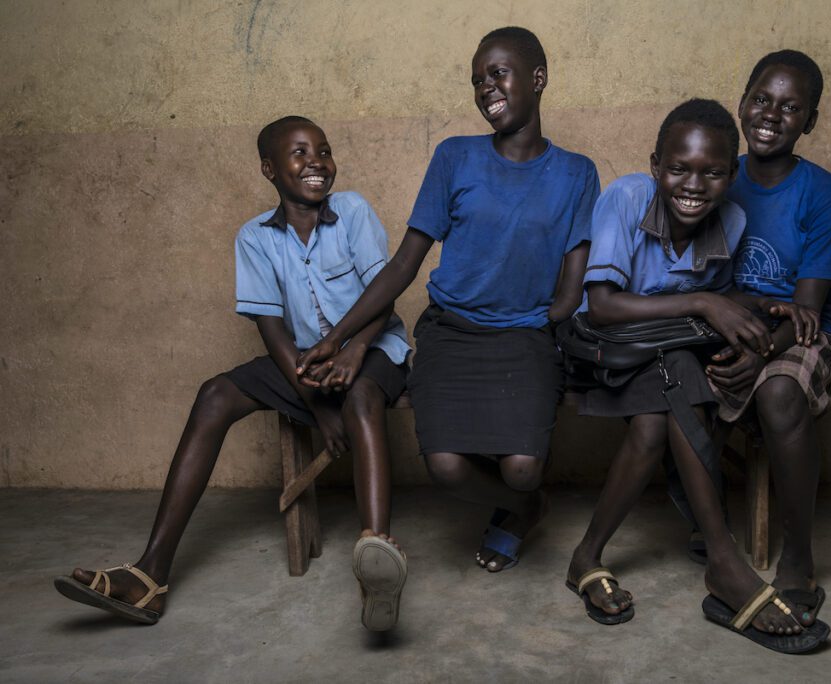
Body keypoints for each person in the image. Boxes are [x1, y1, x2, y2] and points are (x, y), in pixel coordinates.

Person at [54, 116, 412, 632]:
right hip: (308, 361)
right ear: (269, 169)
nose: (316, 161)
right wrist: (315, 407)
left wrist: (355, 352)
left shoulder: (353, 211)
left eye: (324, 150)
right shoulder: (254, 238)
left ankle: (378, 560)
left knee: (360, 401)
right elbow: (274, 335)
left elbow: (385, 293)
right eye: (299, 153)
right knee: (215, 393)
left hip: (374, 349)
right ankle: (151, 574)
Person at [296, 27, 599, 573]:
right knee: (447, 468)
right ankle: (525, 511)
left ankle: (525, 498)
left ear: (538, 78)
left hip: (525, 338)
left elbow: (573, 286)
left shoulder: (577, 173)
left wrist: (534, 327)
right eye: (478, 79)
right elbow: (404, 265)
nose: (486, 87)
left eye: (498, 73)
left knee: (524, 467)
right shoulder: (454, 157)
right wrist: (335, 337)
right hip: (452, 333)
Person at [565, 98, 828, 653]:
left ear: (731, 176)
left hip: (665, 354)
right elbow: (604, 306)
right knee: (679, 378)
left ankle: (586, 556)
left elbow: (717, 300)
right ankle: (725, 562)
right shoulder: (625, 197)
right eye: (678, 168)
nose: (693, 184)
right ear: (656, 163)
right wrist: (706, 303)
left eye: (711, 172)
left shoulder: (731, 219)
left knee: (655, 424)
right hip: (605, 350)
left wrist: (764, 306)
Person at [704, 49, 831, 630]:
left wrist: (762, 353)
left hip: (801, 332)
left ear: (810, 121)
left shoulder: (823, 194)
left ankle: (798, 560)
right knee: (669, 376)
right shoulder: (716, 174)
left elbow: (809, 311)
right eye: (761, 99)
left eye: (792, 107)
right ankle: (702, 526)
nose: (771, 114)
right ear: (741, 103)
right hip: (730, 322)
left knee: (779, 392)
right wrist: (738, 341)